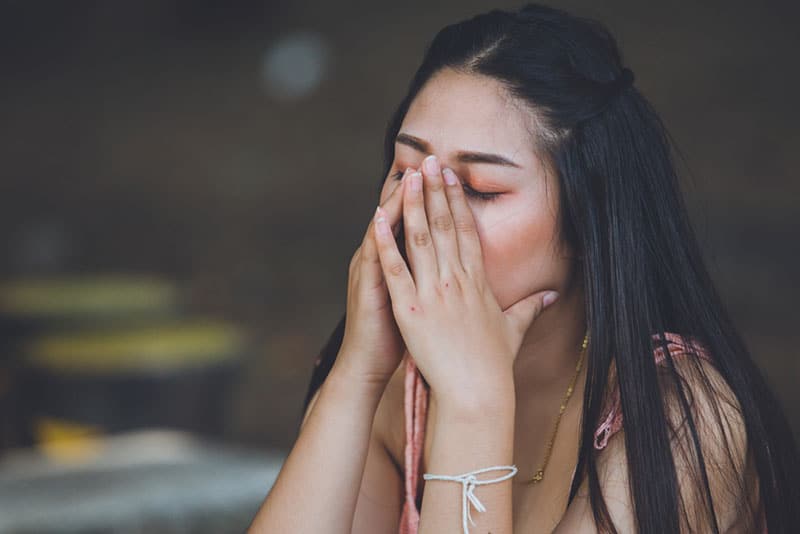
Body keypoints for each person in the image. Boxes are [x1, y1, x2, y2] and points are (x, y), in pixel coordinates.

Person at [248, 3, 800, 533]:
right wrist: (356, 373)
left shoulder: (680, 421)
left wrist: (474, 405)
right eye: (407, 171)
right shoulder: (395, 384)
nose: (422, 215)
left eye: (479, 189)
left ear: (589, 222)